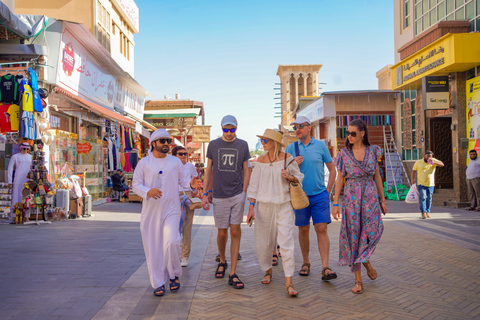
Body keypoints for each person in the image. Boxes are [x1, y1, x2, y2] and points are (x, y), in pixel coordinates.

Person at [132, 129, 200, 296]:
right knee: (154, 247)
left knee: (172, 242)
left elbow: (183, 181)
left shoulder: (175, 162)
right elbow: (135, 184)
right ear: (153, 143)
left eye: (168, 141)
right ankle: (158, 282)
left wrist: (191, 184)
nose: (166, 144)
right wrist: (148, 191)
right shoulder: (144, 163)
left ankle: (174, 275)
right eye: (162, 141)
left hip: (172, 209)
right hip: (151, 212)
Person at [332, 119, 387, 294]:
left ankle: (365, 260)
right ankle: (358, 280)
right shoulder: (343, 154)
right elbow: (340, 179)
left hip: (370, 197)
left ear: (362, 134)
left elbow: (377, 176)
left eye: (353, 133)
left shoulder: (373, 151)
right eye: (347, 133)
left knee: (371, 231)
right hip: (351, 198)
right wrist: (335, 203)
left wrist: (383, 199)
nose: (349, 136)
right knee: (353, 236)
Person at [246, 129, 303, 297]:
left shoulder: (287, 159)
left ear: (275, 142)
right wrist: (251, 207)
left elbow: (299, 176)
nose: (263, 142)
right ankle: (267, 270)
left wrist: (290, 177)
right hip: (263, 207)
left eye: (266, 140)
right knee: (264, 243)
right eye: (262, 140)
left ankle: (289, 281)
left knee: (286, 244)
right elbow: (253, 186)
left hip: (284, 205)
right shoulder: (260, 161)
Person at [285, 116, 337, 281]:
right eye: (295, 127)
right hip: (300, 196)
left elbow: (332, 169)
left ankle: (325, 267)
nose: (297, 129)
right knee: (303, 229)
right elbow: (284, 173)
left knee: (321, 229)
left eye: (301, 126)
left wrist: (328, 191)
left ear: (309, 128)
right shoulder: (291, 148)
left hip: (320, 195)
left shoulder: (321, 145)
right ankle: (306, 263)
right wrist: (293, 164)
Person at [201, 115, 250, 289]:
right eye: (226, 129)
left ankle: (233, 272)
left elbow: (246, 170)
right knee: (222, 233)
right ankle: (222, 260)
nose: (229, 133)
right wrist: (205, 192)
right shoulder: (213, 145)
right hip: (219, 195)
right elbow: (209, 170)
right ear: (221, 128)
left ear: (236, 128)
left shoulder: (243, 145)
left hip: (237, 193)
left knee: (235, 231)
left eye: (232, 129)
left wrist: (244, 192)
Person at [172, 146, 199, 267]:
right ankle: (174, 255)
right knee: (173, 227)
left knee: (187, 227)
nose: (183, 156)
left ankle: (184, 256)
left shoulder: (190, 166)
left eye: (185, 154)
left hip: (186, 196)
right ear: (174, 155)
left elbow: (196, 179)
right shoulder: (170, 167)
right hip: (173, 196)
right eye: (180, 154)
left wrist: (195, 189)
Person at [411, 150, 444, 219]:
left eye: (430, 156)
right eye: (427, 156)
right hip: (421, 183)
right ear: (424, 156)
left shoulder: (433, 161)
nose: (429, 157)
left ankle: (428, 211)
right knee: (423, 197)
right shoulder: (418, 162)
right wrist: (412, 180)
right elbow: (413, 171)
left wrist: (433, 162)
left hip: (431, 183)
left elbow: (442, 164)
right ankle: (423, 212)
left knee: (429, 198)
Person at [7, 142, 32, 222]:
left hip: (27, 180)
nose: (25, 150)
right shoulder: (15, 157)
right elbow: (10, 169)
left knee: (27, 198)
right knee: (16, 196)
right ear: (21, 148)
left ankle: (26, 216)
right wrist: (9, 181)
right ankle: (15, 215)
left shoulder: (31, 157)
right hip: (18, 179)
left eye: (27, 149)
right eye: (24, 148)